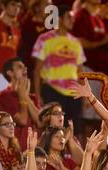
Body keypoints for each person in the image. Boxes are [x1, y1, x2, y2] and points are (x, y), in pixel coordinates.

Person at [32, 4, 85, 134]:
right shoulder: (44, 39)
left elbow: (80, 72)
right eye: (69, 17)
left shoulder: (76, 42)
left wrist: (84, 95)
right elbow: (37, 70)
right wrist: (37, 95)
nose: (73, 20)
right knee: (51, 131)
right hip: (52, 91)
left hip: (73, 94)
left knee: (74, 132)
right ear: (59, 19)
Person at [0, 57, 41, 151]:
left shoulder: (32, 98)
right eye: (20, 67)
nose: (25, 69)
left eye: (25, 67)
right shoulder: (3, 96)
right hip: (13, 152)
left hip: (32, 152)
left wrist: (26, 96)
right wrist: (22, 96)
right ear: (10, 73)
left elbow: (40, 122)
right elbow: (22, 120)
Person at [72, 0, 108, 75]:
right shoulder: (80, 16)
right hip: (87, 68)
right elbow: (80, 43)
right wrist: (103, 41)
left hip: (100, 69)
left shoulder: (97, 17)